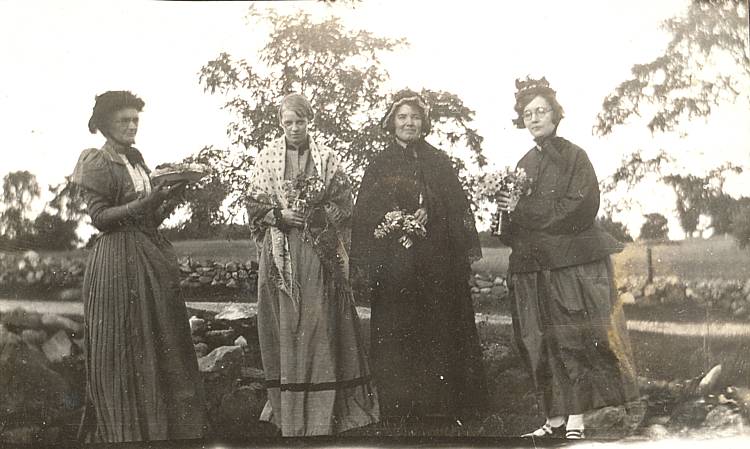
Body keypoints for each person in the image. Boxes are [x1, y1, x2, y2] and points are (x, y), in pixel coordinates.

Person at [495, 77, 639, 440]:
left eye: (541, 111)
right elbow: (515, 227)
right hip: (533, 267)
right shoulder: (524, 163)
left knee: (570, 338)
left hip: (569, 265)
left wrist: (524, 209)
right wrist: (506, 213)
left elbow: (579, 208)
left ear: (556, 115)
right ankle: (553, 418)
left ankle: (577, 418)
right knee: (536, 340)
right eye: (527, 113)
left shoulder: (575, 157)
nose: (534, 118)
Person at [71, 91, 207, 442]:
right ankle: (129, 431)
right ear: (104, 125)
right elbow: (100, 217)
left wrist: (171, 195)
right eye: (124, 120)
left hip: (148, 255)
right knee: (127, 343)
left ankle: (162, 428)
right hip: (116, 263)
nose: (132, 126)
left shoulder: (137, 160)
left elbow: (151, 216)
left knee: (160, 340)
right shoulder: (96, 161)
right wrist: (150, 199)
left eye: (135, 120)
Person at [246, 93, 379, 436]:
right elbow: (254, 204)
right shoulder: (267, 159)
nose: (294, 128)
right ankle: (290, 410)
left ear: (310, 122)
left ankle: (326, 408)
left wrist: (317, 212)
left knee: (319, 320)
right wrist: (279, 214)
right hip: (281, 249)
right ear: (280, 123)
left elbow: (344, 202)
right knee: (288, 322)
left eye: (300, 122)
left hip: (318, 248)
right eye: (288, 122)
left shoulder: (326, 158)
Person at [351, 89, 487, 422]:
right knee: (399, 329)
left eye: (414, 117)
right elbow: (364, 213)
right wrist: (392, 217)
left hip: (435, 264)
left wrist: (432, 212)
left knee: (437, 326)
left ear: (423, 122)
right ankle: (400, 406)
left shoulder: (439, 161)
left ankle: (442, 407)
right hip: (395, 266)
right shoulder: (379, 164)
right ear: (391, 122)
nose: (409, 122)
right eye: (402, 117)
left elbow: (457, 208)